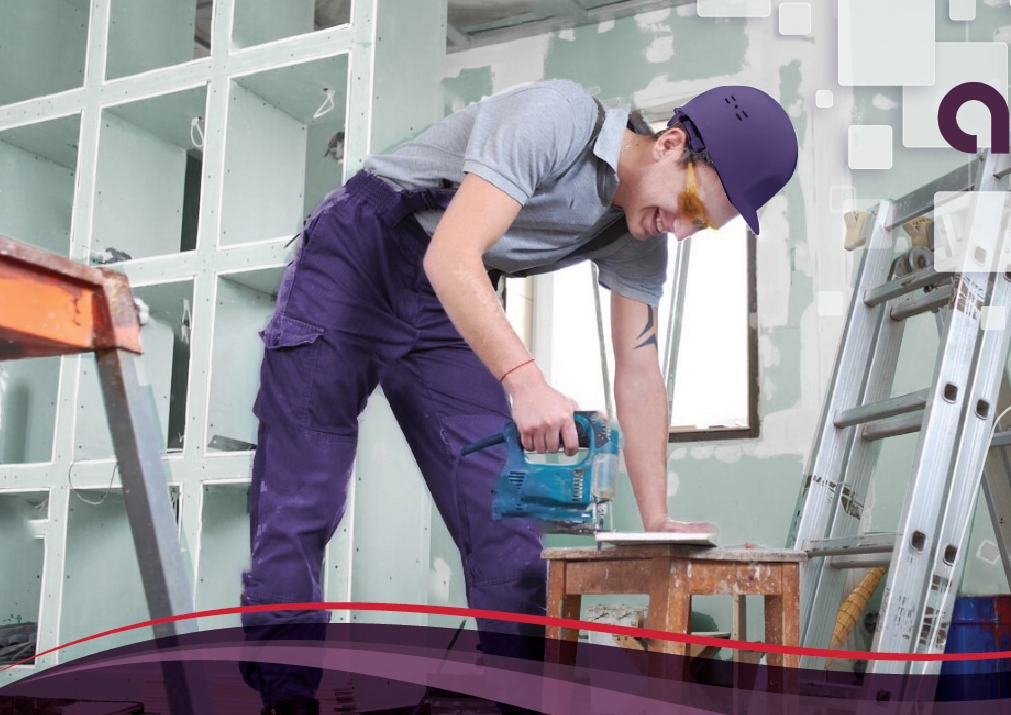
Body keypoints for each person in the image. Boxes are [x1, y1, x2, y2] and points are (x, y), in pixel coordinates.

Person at [238, 78, 799, 715]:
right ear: (670, 144)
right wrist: (526, 382)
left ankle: (525, 698)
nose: (682, 229)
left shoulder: (637, 237)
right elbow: (452, 254)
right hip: (360, 254)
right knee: (302, 495)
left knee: (503, 514)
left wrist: (658, 519)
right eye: (691, 205)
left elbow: (640, 370)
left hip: (448, 298)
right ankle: (285, 700)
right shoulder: (556, 117)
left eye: (704, 225)